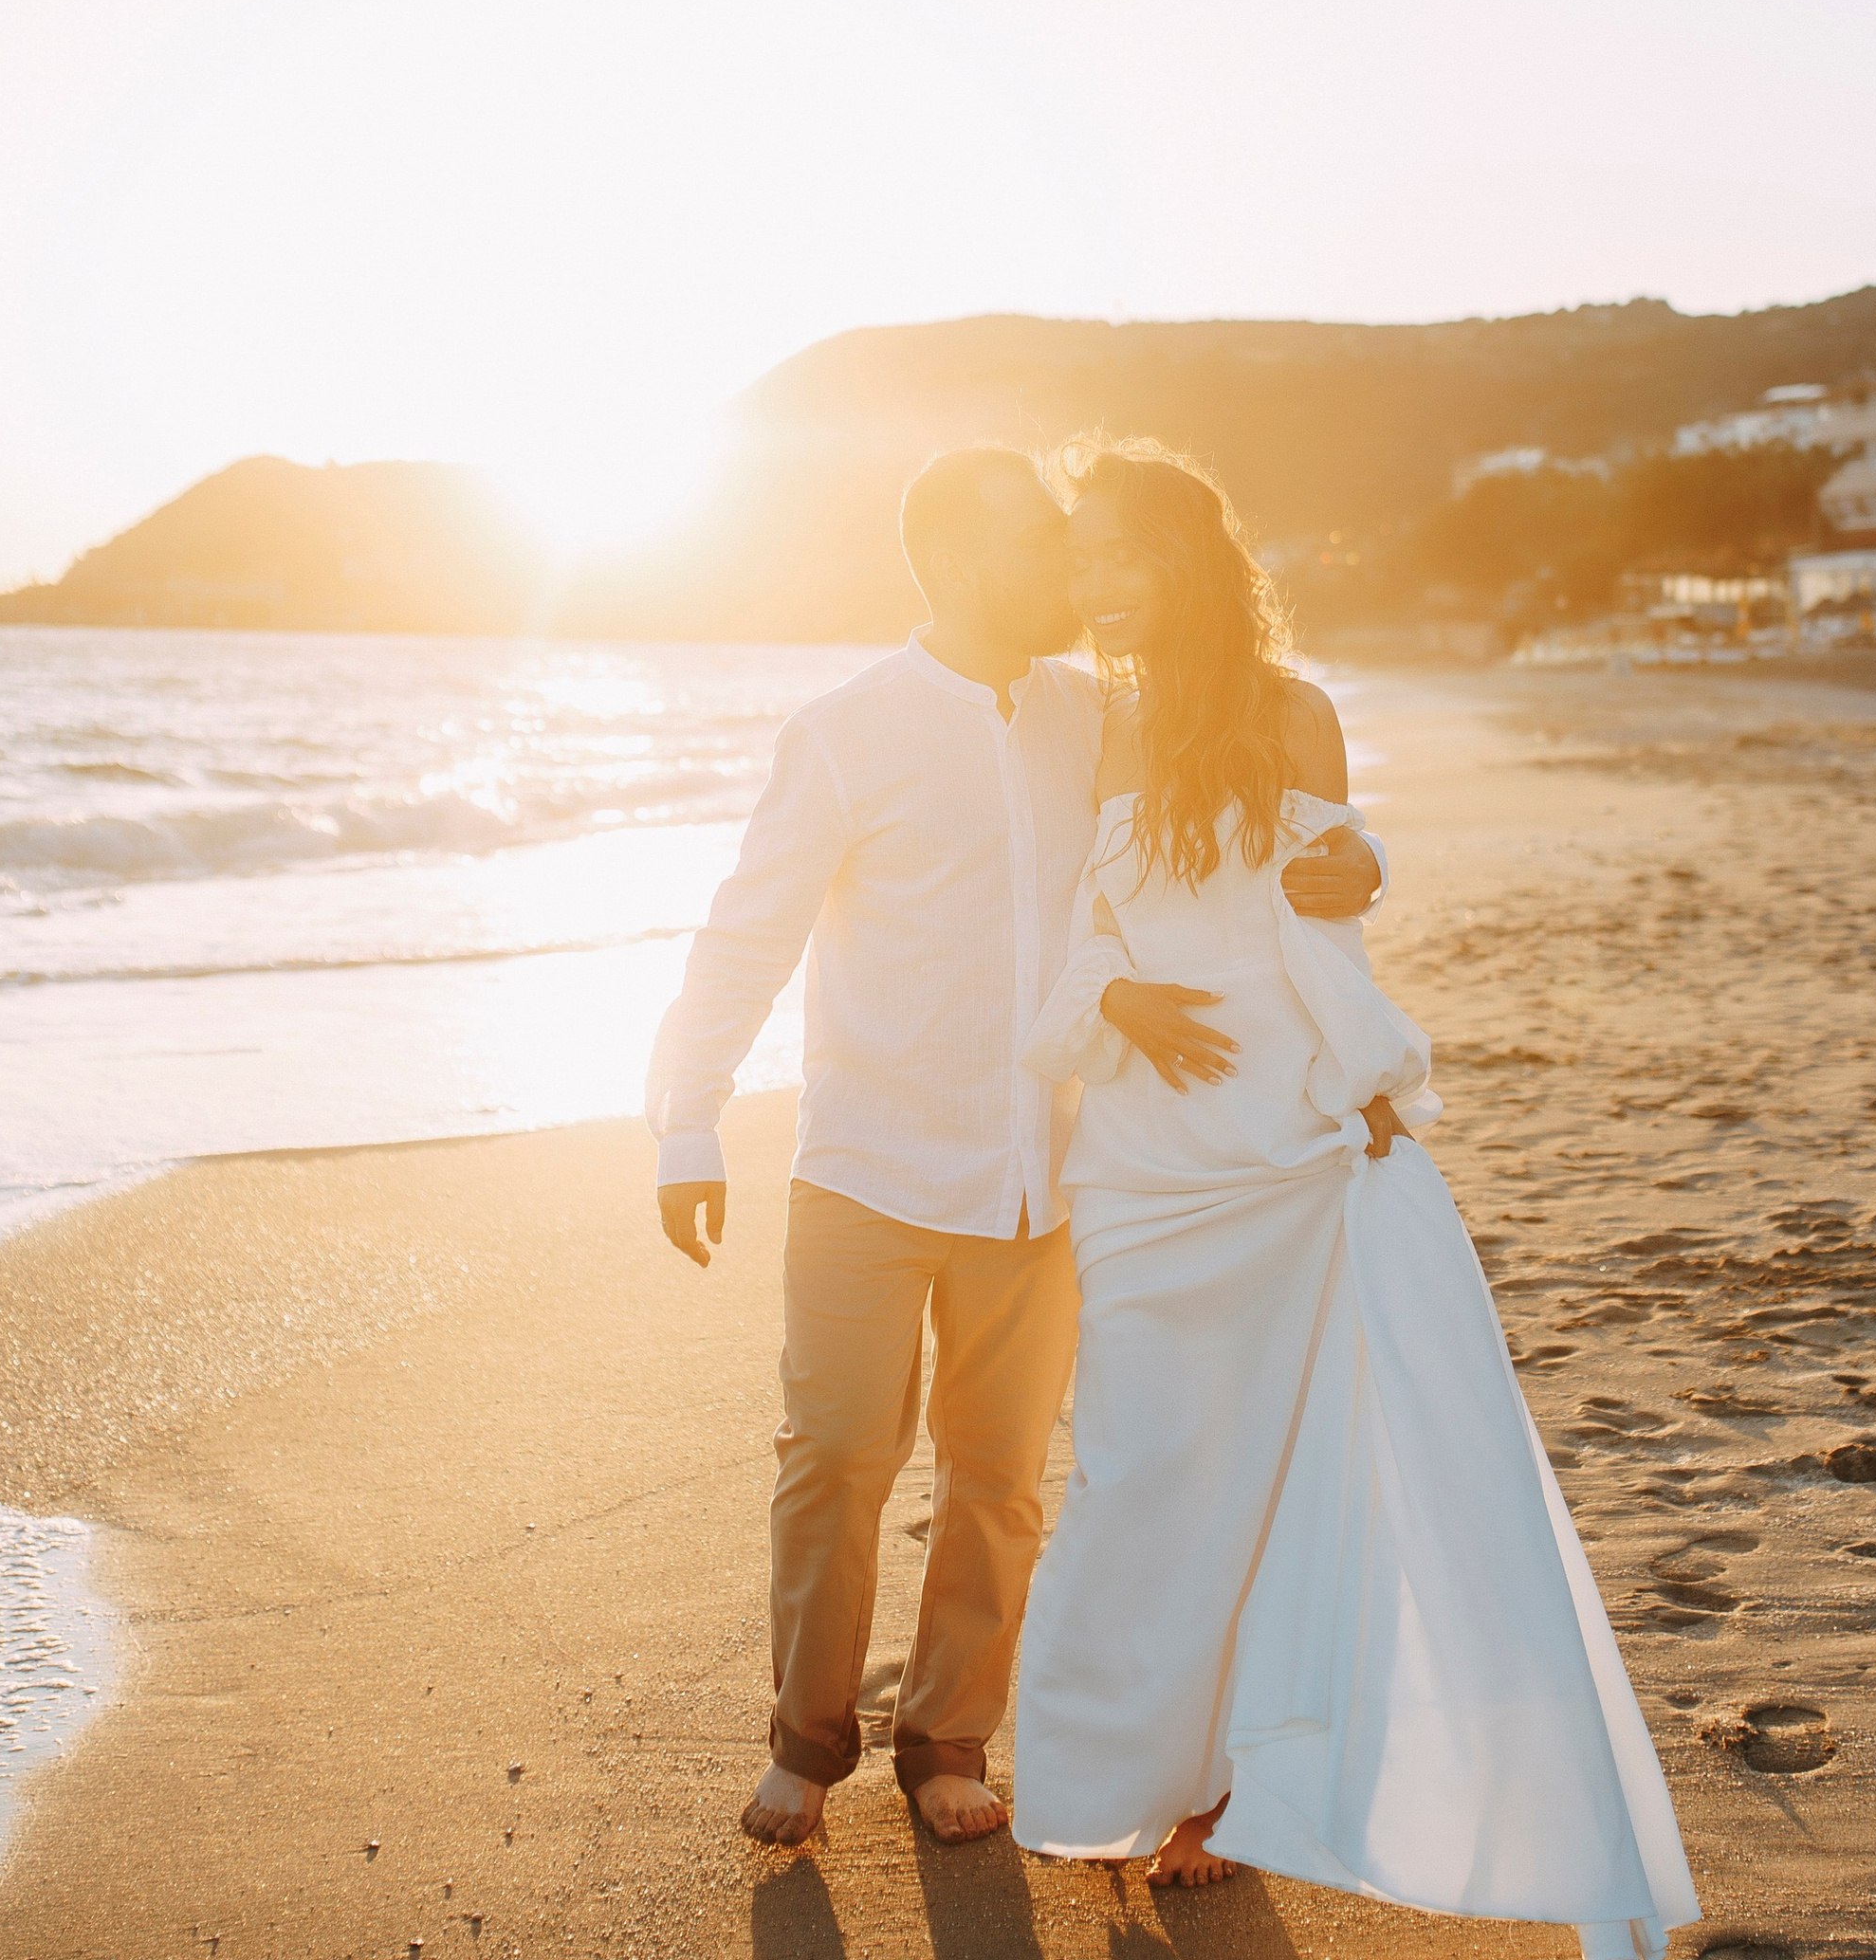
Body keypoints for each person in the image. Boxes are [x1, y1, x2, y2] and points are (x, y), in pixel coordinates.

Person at [1010, 440, 1699, 1957]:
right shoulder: (1086, 721)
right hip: (1139, 1161)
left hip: (1280, 1148)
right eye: (1078, 562)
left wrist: (1371, 1054)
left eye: (1116, 556)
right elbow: (1065, 939)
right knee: (1138, 1468)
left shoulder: (1290, 711)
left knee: (1275, 1468)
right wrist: (1114, 999)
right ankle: (1117, 1771)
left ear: (1186, 561)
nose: (1092, 586)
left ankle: (1220, 1794)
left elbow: (1327, 920)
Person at [645, 444, 1389, 1848]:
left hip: (1048, 1171)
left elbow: (1258, 831)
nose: (1076, 564)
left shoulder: (1099, 715)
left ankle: (948, 1738)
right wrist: (689, 1118)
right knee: (837, 1455)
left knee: (1000, 1478)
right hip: (867, 1164)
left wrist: (1367, 863)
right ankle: (808, 1742)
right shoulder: (847, 729)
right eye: (1049, 540)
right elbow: (748, 933)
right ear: (966, 562)